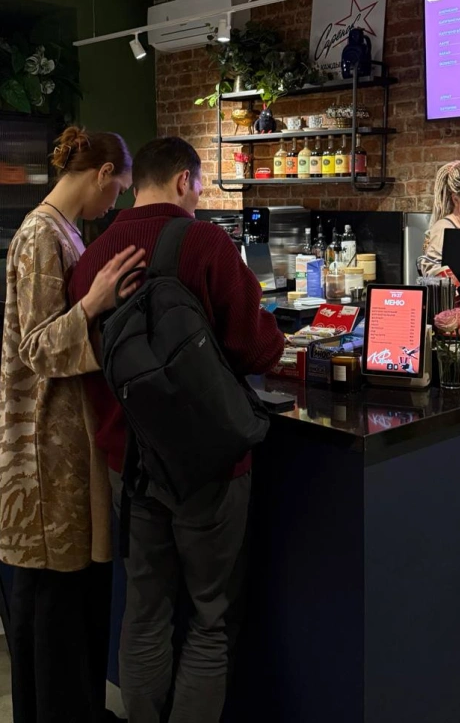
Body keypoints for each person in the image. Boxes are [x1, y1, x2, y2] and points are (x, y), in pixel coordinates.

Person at [69, 136, 285, 723]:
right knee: (210, 617)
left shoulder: (93, 257)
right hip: (209, 465)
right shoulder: (206, 243)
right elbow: (256, 349)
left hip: (130, 464)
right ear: (184, 180)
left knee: (145, 612)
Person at [0, 125, 145, 723]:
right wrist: (94, 302)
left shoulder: (62, 230)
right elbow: (35, 346)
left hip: (63, 445)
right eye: (119, 189)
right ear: (103, 173)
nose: (115, 203)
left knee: (67, 600)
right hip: (43, 449)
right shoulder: (41, 234)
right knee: (52, 605)